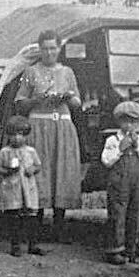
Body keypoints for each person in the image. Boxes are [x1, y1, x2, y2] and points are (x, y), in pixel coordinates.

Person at [15, 29, 81, 242]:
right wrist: (37, 100)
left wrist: (67, 97)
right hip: (39, 125)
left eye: (53, 48)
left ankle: (59, 227)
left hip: (62, 126)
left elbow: (77, 103)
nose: (49, 52)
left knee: (61, 170)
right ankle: (37, 228)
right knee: (40, 171)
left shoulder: (68, 72)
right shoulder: (31, 71)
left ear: (59, 48)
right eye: (45, 48)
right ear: (40, 49)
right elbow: (20, 103)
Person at [101, 101, 139, 265]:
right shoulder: (112, 140)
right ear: (119, 122)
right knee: (117, 214)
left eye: (133, 121)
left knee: (135, 213)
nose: (129, 125)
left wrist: (137, 147)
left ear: (138, 123)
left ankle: (131, 250)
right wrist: (120, 149)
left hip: (137, 181)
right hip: (119, 182)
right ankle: (116, 250)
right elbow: (107, 161)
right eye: (125, 121)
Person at [0, 115, 44, 257]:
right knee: (14, 217)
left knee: (31, 217)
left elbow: (38, 165)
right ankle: (15, 245)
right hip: (12, 189)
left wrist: (32, 170)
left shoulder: (30, 151)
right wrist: (7, 171)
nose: (17, 138)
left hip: (28, 189)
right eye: (13, 135)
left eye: (20, 134)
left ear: (26, 135)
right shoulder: (5, 152)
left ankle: (33, 244)